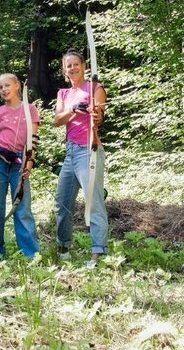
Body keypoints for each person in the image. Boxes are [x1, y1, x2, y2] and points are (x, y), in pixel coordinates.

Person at [53, 49, 108, 269]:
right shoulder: (63, 94)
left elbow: (100, 116)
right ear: (64, 70)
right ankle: (63, 248)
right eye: (69, 66)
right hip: (70, 152)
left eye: (76, 64)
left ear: (84, 66)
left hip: (89, 149)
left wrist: (95, 115)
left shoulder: (95, 88)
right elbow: (57, 120)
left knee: (93, 202)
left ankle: (97, 253)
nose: (72, 68)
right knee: (62, 202)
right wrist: (74, 110)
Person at [0, 73, 40, 258]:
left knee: (22, 208)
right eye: (0, 87)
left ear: (17, 86)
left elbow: (33, 140)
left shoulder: (30, 109)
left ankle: (30, 254)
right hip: (0, 162)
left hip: (20, 162)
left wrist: (28, 164)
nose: (4, 90)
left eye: (7, 85)